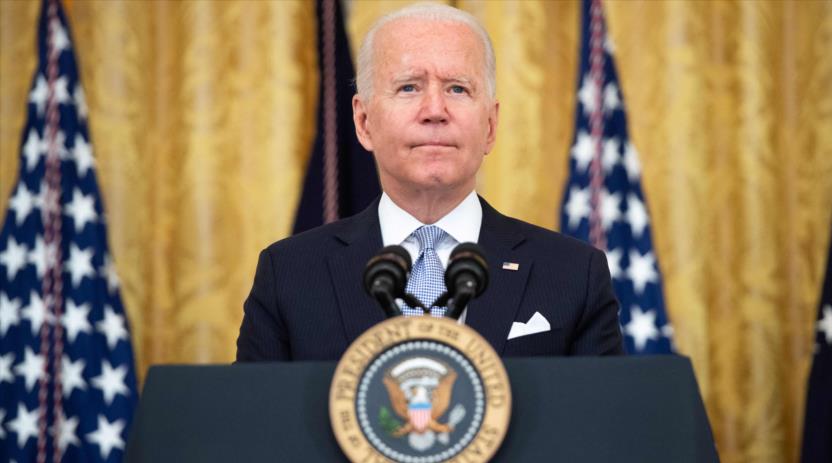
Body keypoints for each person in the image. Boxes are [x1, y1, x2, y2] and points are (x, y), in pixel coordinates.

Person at [236, 3, 624, 361]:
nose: (435, 111)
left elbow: (600, 426)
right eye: (409, 87)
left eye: (457, 88)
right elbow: (255, 424)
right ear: (363, 122)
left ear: (490, 125)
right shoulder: (288, 274)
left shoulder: (573, 274)